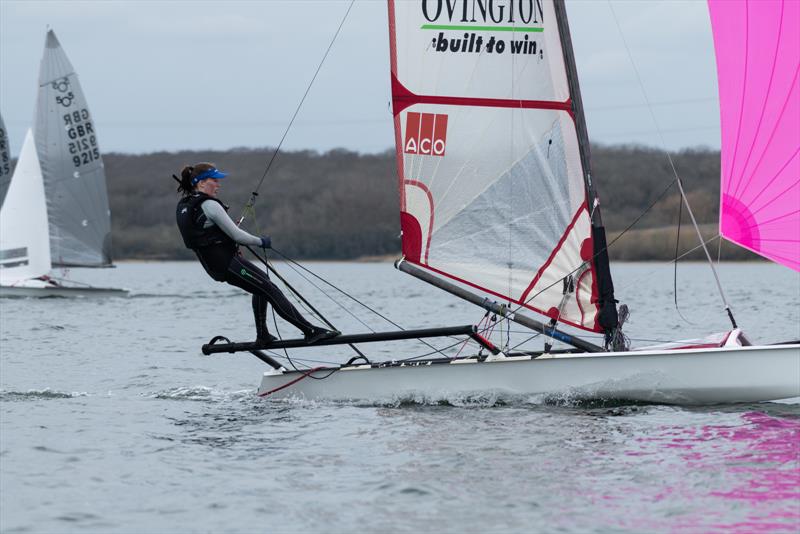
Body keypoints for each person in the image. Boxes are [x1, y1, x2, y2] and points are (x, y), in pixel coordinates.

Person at [174, 162, 339, 344]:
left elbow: (205, 233)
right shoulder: (209, 205)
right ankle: (310, 331)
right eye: (215, 180)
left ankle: (263, 335)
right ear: (201, 183)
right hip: (227, 263)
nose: (218, 184)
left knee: (263, 286)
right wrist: (262, 242)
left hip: (216, 265)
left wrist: (223, 234)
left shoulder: (186, 205)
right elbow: (237, 236)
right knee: (271, 290)